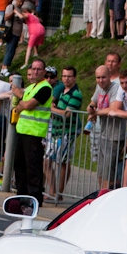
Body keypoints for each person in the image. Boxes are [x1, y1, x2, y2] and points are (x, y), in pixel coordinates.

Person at [11, 58, 52, 204]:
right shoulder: (31, 87)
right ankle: (21, 195)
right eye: (33, 69)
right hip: (23, 131)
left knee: (33, 167)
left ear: (44, 71)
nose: (35, 71)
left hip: (35, 133)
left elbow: (27, 105)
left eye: (38, 69)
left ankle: (34, 197)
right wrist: (22, 102)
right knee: (19, 164)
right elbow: (21, 106)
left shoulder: (45, 88)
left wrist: (20, 97)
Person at [45, 66, 83, 197]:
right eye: (64, 76)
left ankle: (58, 192)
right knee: (47, 160)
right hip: (56, 130)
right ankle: (52, 190)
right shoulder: (61, 90)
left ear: (74, 78)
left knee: (63, 161)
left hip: (67, 131)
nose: (66, 79)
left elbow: (67, 113)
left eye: (69, 76)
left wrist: (51, 109)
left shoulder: (76, 94)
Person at [87, 65, 123, 189]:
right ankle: (100, 194)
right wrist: (90, 107)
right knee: (101, 170)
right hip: (103, 133)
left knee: (109, 170)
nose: (101, 80)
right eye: (98, 78)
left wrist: (95, 113)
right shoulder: (99, 87)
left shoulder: (116, 88)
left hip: (114, 135)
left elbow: (113, 108)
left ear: (109, 76)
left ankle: (106, 196)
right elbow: (93, 101)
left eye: (103, 77)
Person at [1, 0, 26, 77]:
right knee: (10, 50)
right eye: (19, 1)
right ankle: (4, 68)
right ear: (17, 0)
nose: (21, 3)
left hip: (17, 34)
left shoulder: (21, 9)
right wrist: (14, 12)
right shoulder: (11, 7)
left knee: (12, 51)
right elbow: (6, 17)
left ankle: (4, 68)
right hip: (10, 32)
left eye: (22, 1)